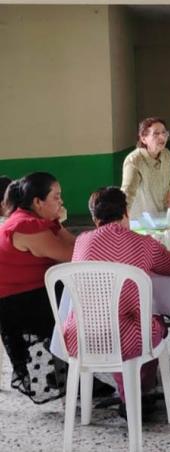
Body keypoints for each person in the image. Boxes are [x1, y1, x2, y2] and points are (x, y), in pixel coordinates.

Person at [63, 187, 170, 415]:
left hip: (80, 336)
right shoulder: (144, 244)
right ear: (126, 212)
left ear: (94, 218)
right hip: (127, 339)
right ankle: (141, 392)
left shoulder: (81, 241)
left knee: (122, 321)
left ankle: (129, 394)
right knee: (152, 324)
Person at [0, 172, 74, 403]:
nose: (61, 202)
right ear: (37, 202)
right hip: (18, 304)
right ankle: (85, 367)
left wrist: (56, 222)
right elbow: (74, 254)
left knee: (75, 290)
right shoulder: (27, 226)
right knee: (85, 299)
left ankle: (77, 370)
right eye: (56, 197)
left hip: (29, 294)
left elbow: (73, 246)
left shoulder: (30, 219)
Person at [121, 117, 170, 220]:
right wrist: (123, 223)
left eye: (164, 133)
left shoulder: (167, 156)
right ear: (143, 139)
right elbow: (127, 195)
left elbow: (169, 185)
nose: (162, 136)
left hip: (162, 218)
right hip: (139, 221)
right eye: (156, 134)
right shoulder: (134, 160)